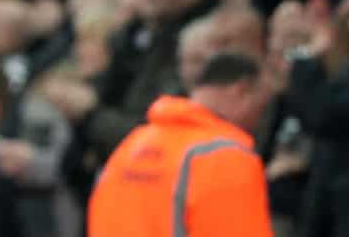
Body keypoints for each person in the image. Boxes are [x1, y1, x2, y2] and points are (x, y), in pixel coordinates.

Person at [87, 53, 274, 237]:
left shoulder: (134, 143)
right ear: (241, 91)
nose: (260, 118)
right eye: (262, 106)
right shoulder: (227, 157)